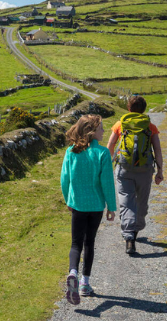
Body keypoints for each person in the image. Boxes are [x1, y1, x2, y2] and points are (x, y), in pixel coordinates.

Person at [60, 114, 116, 305]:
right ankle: (84, 283)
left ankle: (73, 272)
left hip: (78, 205)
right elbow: (107, 182)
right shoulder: (102, 153)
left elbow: (65, 179)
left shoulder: (70, 152)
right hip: (96, 206)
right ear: (91, 132)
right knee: (89, 242)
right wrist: (112, 207)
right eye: (101, 128)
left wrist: (68, 199)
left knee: (76, 243)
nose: (103, 131)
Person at [107, 96, 164, 255]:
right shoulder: (150, 126)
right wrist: (159, 171)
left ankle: (129, 238)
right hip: (145, 171)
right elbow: (157, 150)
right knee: (141, 202)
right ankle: (135, 230)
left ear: (129, 108)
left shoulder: (120, 124)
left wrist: (108, 164)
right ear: (144, 109)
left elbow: (111, 145)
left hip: (124, 169)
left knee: (126, 201)